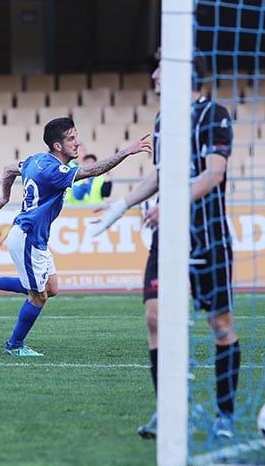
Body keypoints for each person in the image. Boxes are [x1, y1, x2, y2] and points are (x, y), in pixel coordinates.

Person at [90, 52, 240, 442]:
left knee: (220, 325)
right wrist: (121, 206)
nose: (154, 74)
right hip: (167, 237)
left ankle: (225, 414)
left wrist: (171, 206)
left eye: (161, 67)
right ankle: (170, 412)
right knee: (155, 318)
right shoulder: (161, 121)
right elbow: (159, 175)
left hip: (206, 235)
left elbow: (214, 173)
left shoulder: (213, 114)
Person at [0, 117, 151, 357]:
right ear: (57, 146)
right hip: (27, 237)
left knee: (51, 288)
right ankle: (14, 345)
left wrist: (4, 197)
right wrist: (127, 151)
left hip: (35, 238)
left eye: (76, 136)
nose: (78, 143)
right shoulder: (55, 171)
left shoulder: (35, 160)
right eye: (71, 139)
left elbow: (9, 169)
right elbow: (93, 170)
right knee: (38, 296)